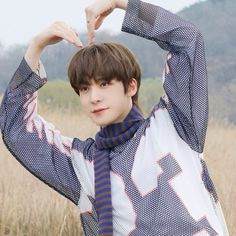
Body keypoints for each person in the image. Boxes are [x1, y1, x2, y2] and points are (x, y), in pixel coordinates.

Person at [0, 0, 229, 235]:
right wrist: (36, 46)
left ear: (131, 87)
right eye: (84, 89)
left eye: (104, 84)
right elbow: (16, 128)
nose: (94, 97)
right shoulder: (82, 164)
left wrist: (121, 3)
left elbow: (187, 40)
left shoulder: (173, 124)